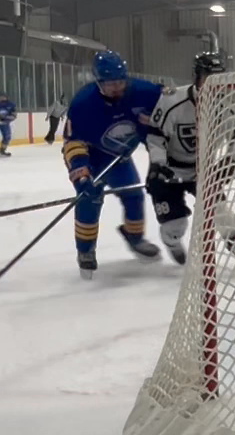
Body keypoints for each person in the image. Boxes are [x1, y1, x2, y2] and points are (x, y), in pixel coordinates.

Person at [144, 51, 235, 274]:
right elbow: (156, 137)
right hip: (169, 170)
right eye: (208, 78)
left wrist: (229, 162)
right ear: (196, 77)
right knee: (176, 225)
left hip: (203, 170)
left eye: (218, 79)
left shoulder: (228, 107)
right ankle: (171, 240)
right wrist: (157, 164)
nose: (214, 85)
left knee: (221, 213)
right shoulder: (173, 100)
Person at [63, 49, 164, 278]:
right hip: (92, 157)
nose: (117, 87)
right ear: (98, 82)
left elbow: (172, 103)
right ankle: (86, 251)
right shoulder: (83, 104)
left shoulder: (144, 92)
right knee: (90, 198)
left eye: (120, 81)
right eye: (110, 84)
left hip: (120, 159)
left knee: (134, 196)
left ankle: (135, 237)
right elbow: (73, 143)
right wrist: (81, 173)